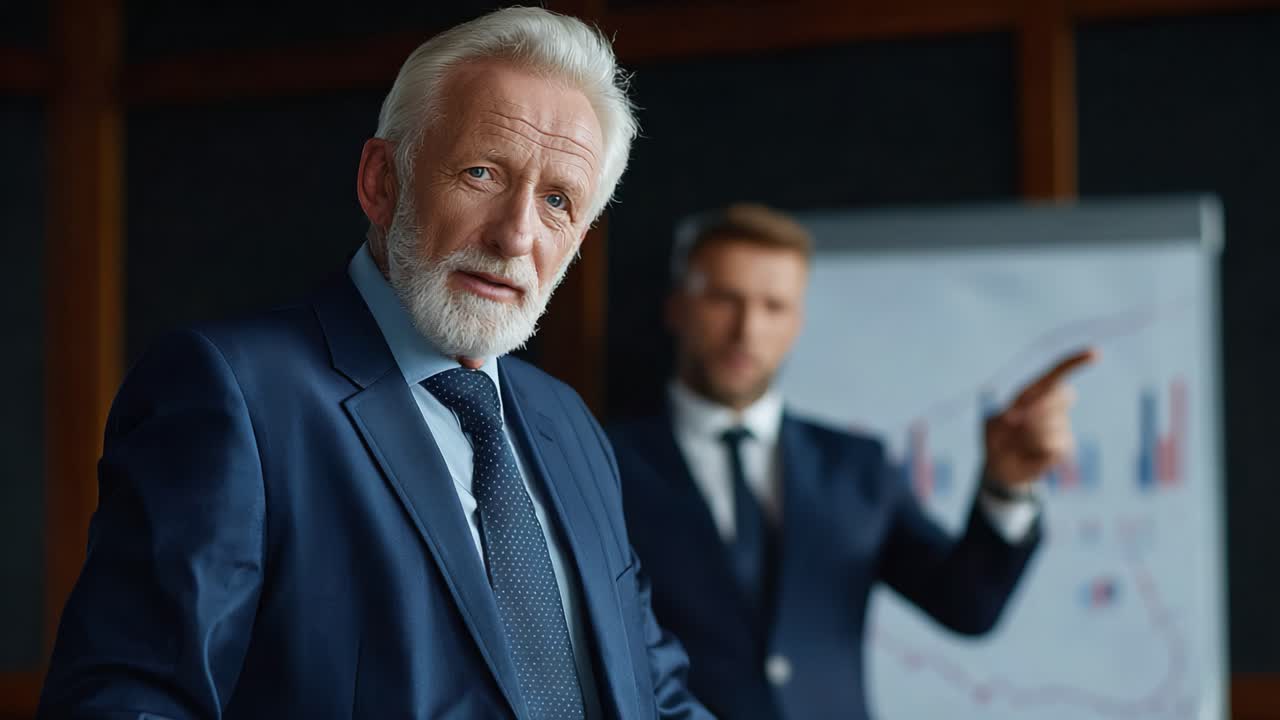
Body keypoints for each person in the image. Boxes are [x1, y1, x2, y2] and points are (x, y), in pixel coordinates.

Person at [39, 9, 712, 720]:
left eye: (556, 200)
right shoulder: (232, 392)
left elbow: (654, 691)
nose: (517, 235)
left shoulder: (567, 423)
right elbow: (129, 703)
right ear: (382, 181)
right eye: (482, 173)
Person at [608, 204, 1096, 720]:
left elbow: (967, 606)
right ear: (677, 307)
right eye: (725, 299)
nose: (747, 330)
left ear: (797, 323)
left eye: (774, 306)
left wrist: (1006, 487)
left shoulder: (856, 467)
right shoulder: (603, 462)